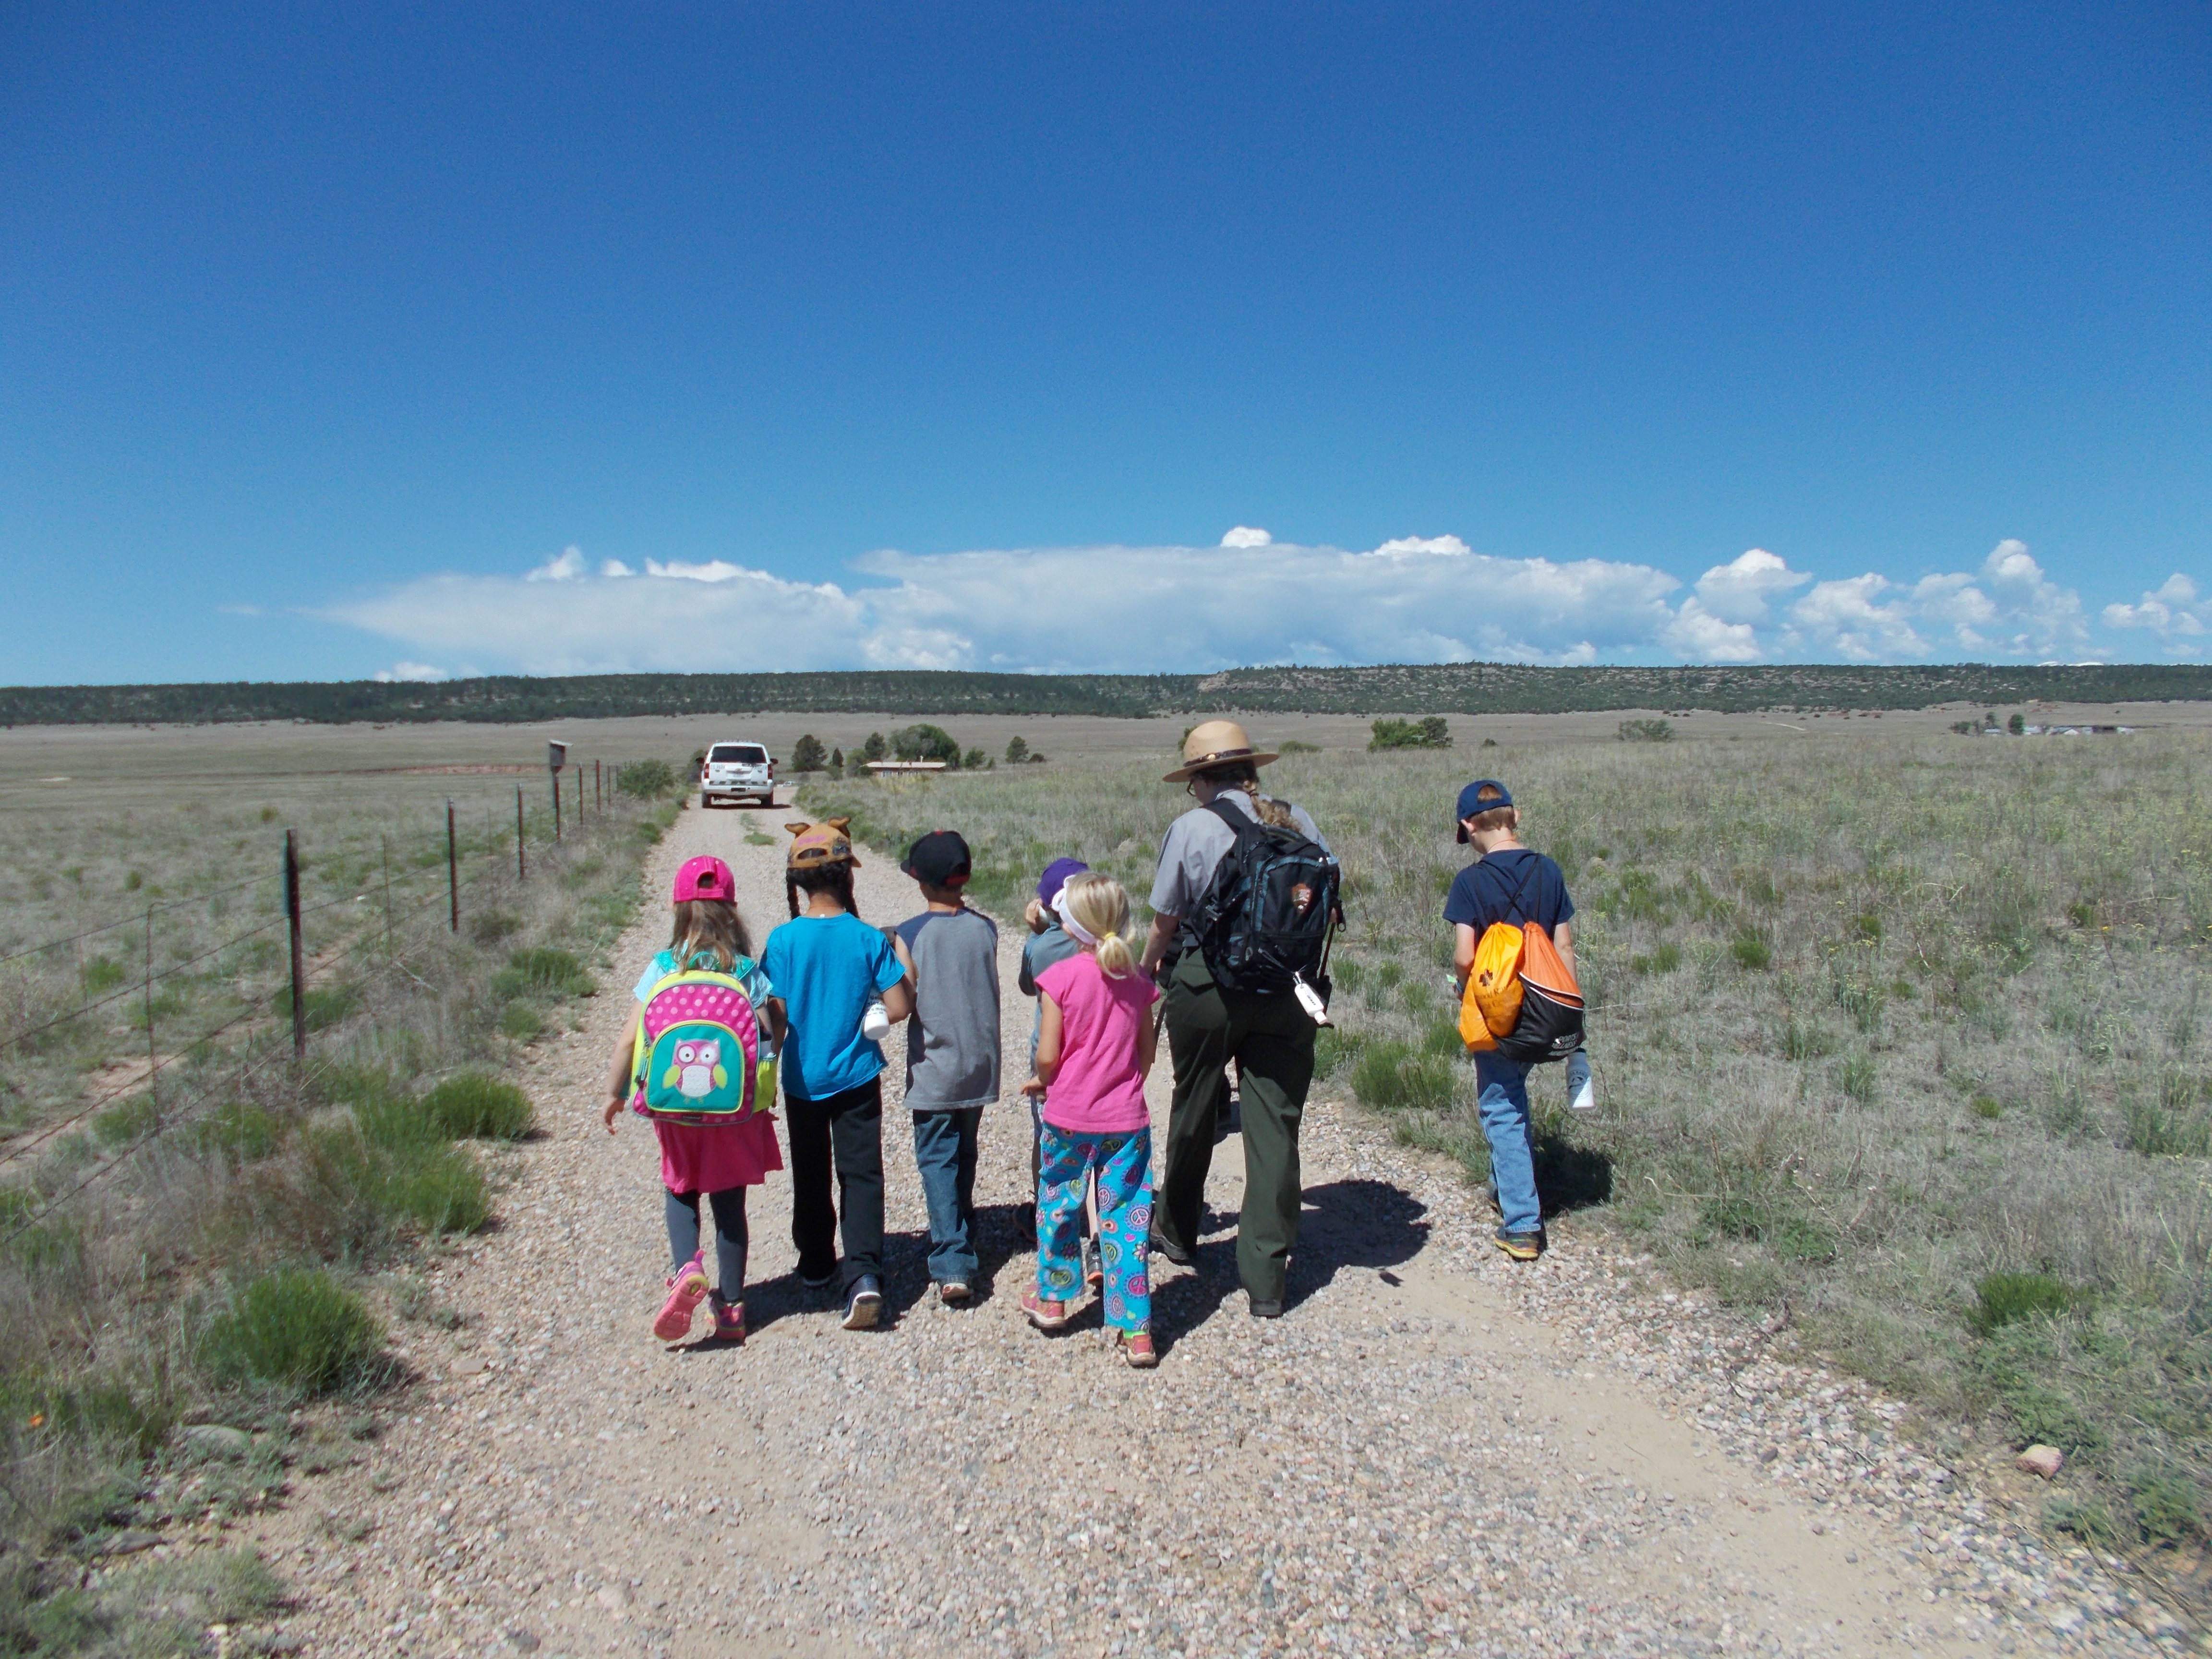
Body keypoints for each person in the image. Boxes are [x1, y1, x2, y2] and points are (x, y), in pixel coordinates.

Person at [1139, 720, 1328, 1319]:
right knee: (1276, 1120)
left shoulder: (1191, 826)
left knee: (1194, 1104)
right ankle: (1267, 1278)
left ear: (1199, 778)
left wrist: (1145, 976)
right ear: (1251, 770)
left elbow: (1165, 920)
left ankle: (1177, 1227)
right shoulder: (1298, 817)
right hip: (1287, 988)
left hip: (1210, 985)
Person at [600, 856, 785, 1345]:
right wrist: (761, 1095)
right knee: (730, 1204)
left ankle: (686, 1268)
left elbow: (627, 1041)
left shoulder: (663, 968)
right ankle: (731, 1309)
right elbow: (767, 1041)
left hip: (674, 1110)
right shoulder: (747, 971)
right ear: (732, 910)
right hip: (733, 1112)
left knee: (680, 1187)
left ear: (677, 909)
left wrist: (615, 1094)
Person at [761, 819, 913, 1329]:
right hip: (857, 1078)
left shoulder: (782, 941)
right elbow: (899, 1004)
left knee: (811, 1171)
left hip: (803, 1080)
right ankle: (865, 1275)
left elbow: (775, 1021)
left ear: (799, 883)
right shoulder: (869, 939)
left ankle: (816, 1263)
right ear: (849, 875)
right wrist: (871, 1015)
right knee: (861, 1173)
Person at [1023, 873, 1161, 1368]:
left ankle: (1054, 1298)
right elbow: (1146, 1056)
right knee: (1126, 1219)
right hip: (1126, 1122)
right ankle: (1136, 1328)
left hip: (1068, 1118)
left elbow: (1046, 1057)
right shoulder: (1140, 983)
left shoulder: (1059, 979)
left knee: (1060, 1204)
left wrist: (1050, 1081)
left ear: (1071, 925)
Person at [1443, 780, 1578, 1262]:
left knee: (1501, 1108)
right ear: (1514, 817)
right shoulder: (1549, 871)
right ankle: (1508, 1188)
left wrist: (1468, 991)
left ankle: (1523, 1223)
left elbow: (1464, 956)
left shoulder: (1470, 882)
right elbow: (1564, 947)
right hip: (1546, 1007)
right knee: (1513, 1099)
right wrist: (1569, 1009)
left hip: (1497, 1012)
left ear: (1468, 827)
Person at [889, 830, 1001, 1306]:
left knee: (938, 1158)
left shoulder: (909, 935)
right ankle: (964, 1226)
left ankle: (952, 1260)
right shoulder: (988, 928)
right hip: (979, 1066)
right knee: (966, 1151)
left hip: (935, 1071)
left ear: (920, 883)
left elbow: (902, 1004)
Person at [1017, 857, 1089, 1241]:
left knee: (1046, 1135)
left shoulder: (1043, 947)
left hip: (1051, 1053)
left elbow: (1029, 986)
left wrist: (1034, 934)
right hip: (1095, 1052)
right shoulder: (1107, 945)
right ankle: (1097, 1225)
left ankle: (1045, 1215)